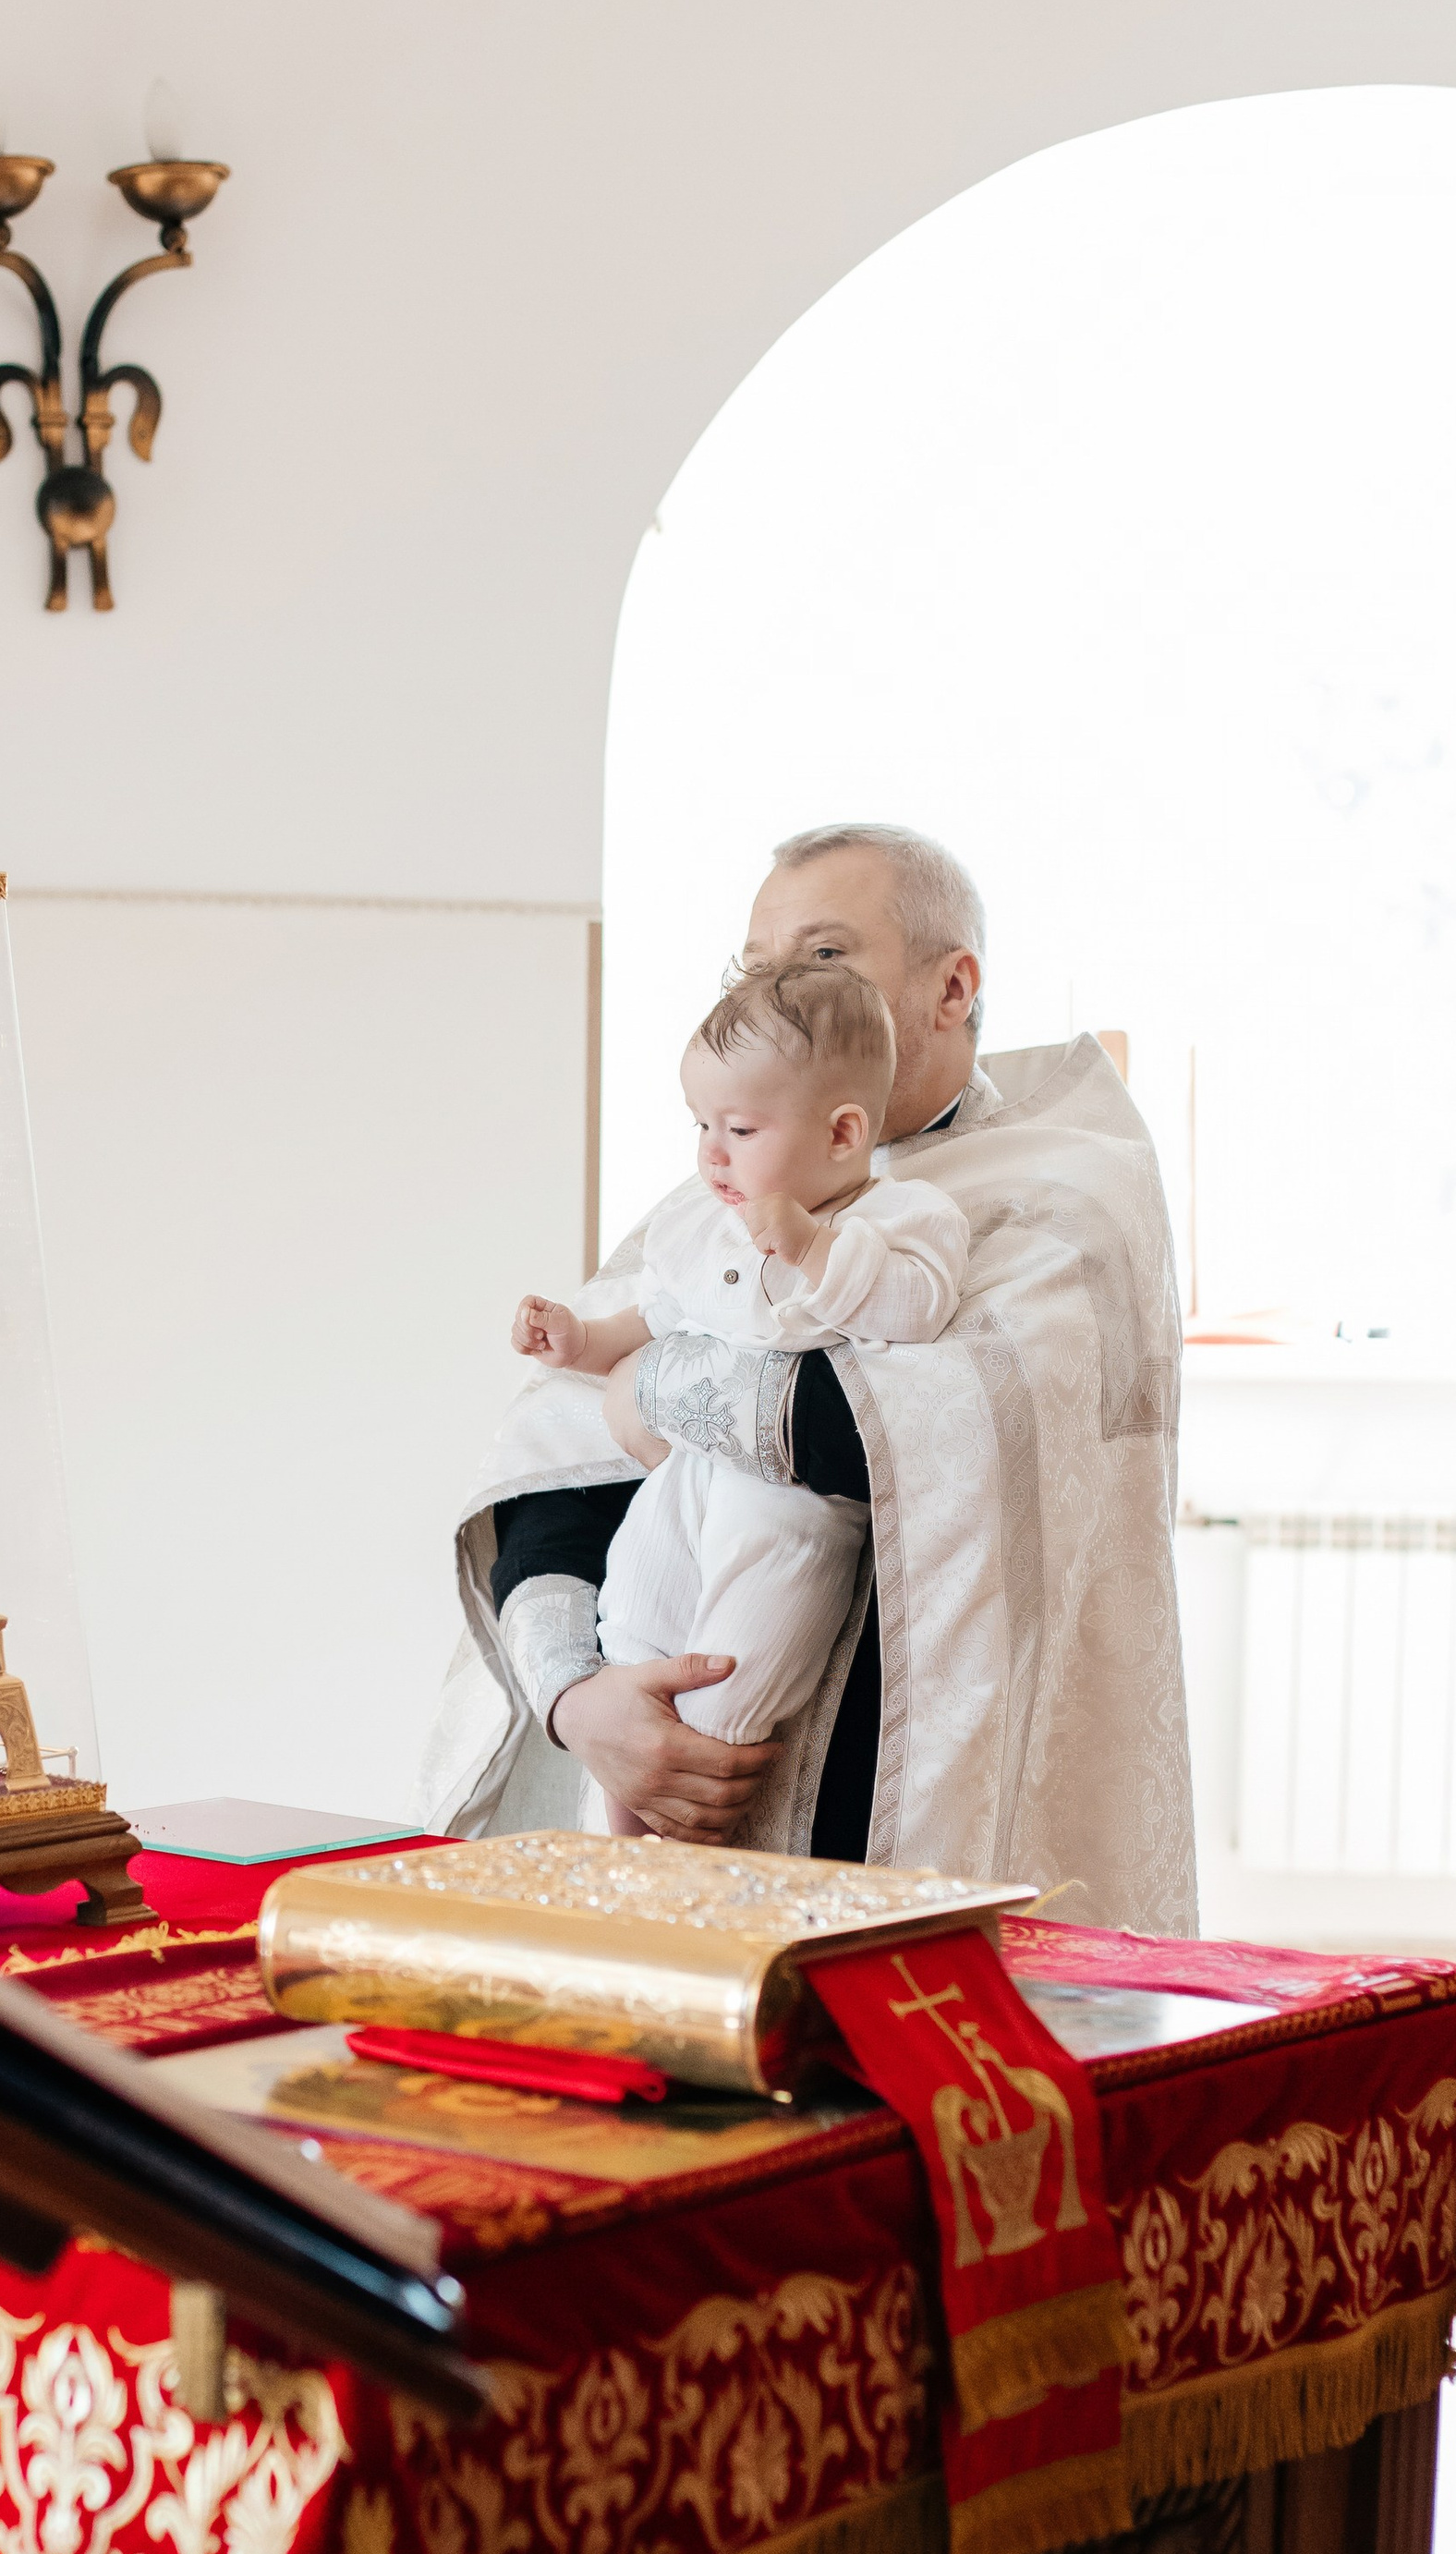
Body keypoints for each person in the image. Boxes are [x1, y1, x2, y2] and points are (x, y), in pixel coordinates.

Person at [417, 821, 1197, 1933]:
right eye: (752, 965)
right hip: (658, 1779)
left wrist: (649, 1387)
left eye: (825, 955)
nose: (775, 990)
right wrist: (577, 1700)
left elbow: (918, 1439)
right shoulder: (716, 1191)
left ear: (951, 986)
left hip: (906, 1815)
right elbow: (554, 1455)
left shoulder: (1063, 1194)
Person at [508, 955, 966, 1830]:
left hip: (793, 1512)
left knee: (725, 1685)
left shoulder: (904, 1218)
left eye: (742, 1130)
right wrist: (579, 1341)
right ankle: (620, 1848)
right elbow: (654, 1316)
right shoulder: (707, 1221)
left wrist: (813, 1248)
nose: (711, 1153)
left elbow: (918, 1310)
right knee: (633, 1636)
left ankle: (686, 1852)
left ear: (842, 1134)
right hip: (687, 1478)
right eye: (702, 1124)